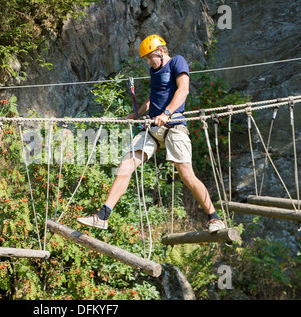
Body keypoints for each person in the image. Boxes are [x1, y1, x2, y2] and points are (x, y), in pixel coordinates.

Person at [76, 34, 225, 233]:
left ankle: (214, 218)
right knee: (125, 164)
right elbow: (152, 99)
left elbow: (183, 90)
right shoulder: (154, 71)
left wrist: (167, 113)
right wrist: (135, 114)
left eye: (149, 57)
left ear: (161, 52)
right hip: (153, 128)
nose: (148, 62)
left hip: (174, 125)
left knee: (187, 175)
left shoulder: (177, 62)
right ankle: (103, 216)